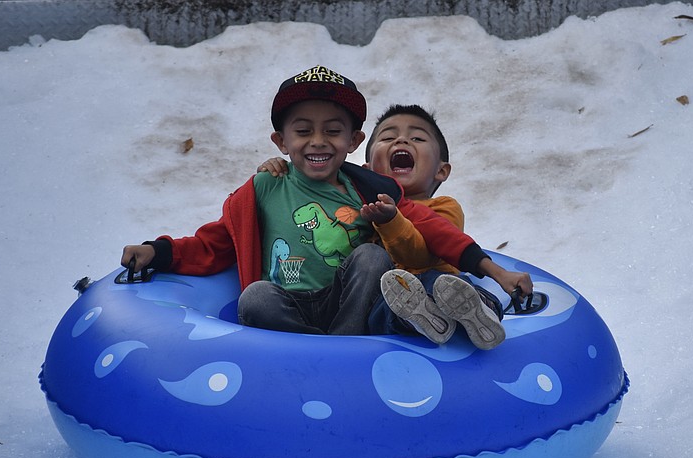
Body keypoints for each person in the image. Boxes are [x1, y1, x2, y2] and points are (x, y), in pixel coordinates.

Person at [121, 66, 501, 337]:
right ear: (281, 142)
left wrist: (490, 269)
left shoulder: (365, 187)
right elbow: (215, 243)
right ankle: (310, 348)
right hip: (290, 304)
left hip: (349, 304)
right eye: (303, 131)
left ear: (353, 143)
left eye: (332, 131)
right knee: (255, 297)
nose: (318, 141)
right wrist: (159, 252)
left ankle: (345, 343)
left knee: (372, 258)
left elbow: (433, 230)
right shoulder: (265, 187)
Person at [260, 104, 532, 349]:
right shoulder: (362, 203)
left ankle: (481, 312)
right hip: (390, 300)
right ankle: (421, 320)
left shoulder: (444, 206)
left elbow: (426, 251)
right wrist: (280, 171)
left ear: (442, 170)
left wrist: (496, 272)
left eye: (417, 138)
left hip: (437, 282)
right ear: (367, 168)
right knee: (386, 308)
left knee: (442, 285)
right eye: (388, 137)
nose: (401, 140)